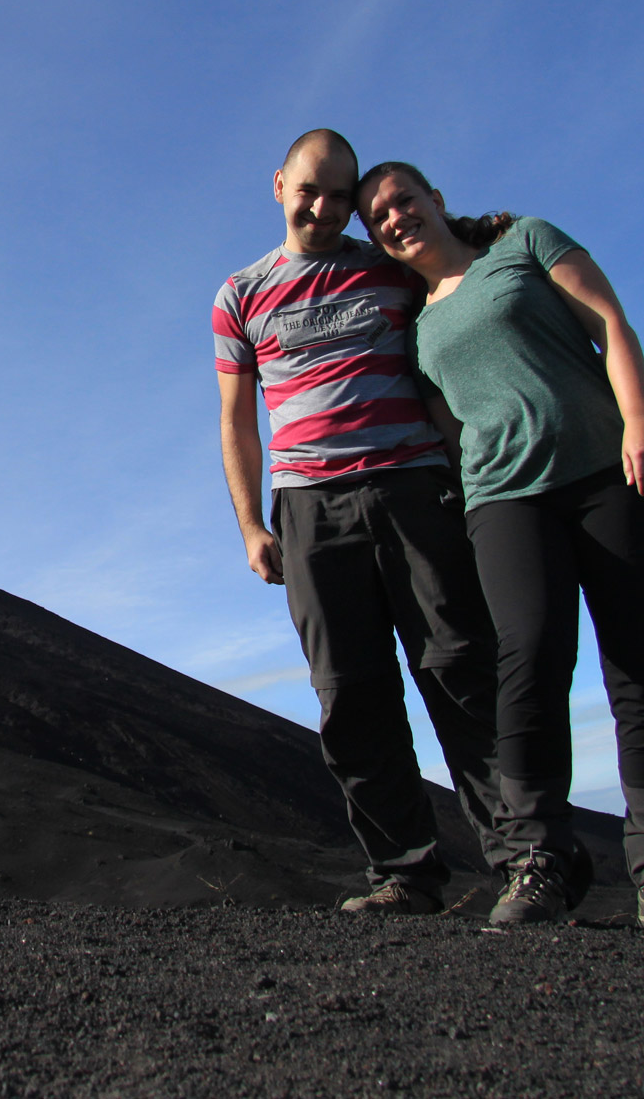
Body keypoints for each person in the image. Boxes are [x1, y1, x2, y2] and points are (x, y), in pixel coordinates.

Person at [356, 159, 644, 931]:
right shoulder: (418, 326)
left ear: (435, 196)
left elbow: (608, 322)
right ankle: (539, 861)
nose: (396, 217)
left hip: (608, 473)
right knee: (527, 665)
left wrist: (641, 421)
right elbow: (446, 427)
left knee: (641, 667)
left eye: (404, 200)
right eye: (379, 217)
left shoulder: (525, 242)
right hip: (502, 500)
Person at [213, 129, 510, 915]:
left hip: (414, 487)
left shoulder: (390, 267)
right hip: (308, 507)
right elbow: (237, 422)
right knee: (349, 691)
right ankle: (405, 874)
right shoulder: (239, 295)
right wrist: (251, 524)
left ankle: (522, 861)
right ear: (278, 183)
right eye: (310, 188)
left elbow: (458, 305)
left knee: (460, 669)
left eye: (340, 195)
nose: (323, 206)